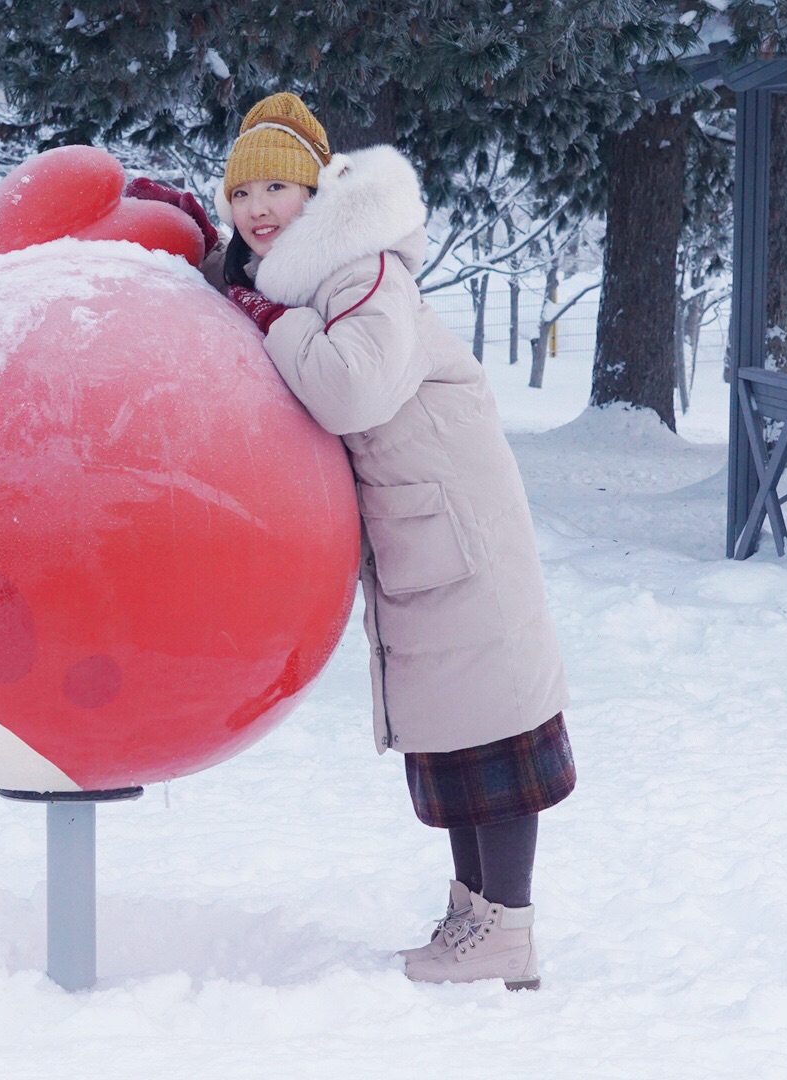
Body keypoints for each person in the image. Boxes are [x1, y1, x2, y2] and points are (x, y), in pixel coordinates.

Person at [144, 92, 573, 990]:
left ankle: (509, 927)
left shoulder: (365, 273)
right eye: (241, 190)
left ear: (317, 193)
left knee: (495, 729)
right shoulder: (309, 280)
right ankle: (476, 913)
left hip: (458, 532)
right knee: (457, 732)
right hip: (423, 534)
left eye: (277, 186)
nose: (256, 207)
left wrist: (273, 322)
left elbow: (350, 392)